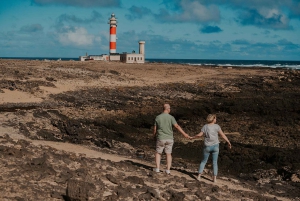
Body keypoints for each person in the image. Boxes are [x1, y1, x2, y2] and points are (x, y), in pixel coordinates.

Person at [191, 114, 231, 182]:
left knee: (203, 161)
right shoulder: (217, 126)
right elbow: (222, 135)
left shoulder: (205, 126)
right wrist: (228, 142)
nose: (216, 119)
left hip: (207, 146)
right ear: (213, 119)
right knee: (215, 162)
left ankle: (199, 176)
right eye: (215, 118)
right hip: (215, 146)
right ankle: (214, 178)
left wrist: (192, 137)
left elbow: (200, 135)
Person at [153, 104, 190, 174]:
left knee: (158, 152)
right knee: (168, 154)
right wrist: (184, 134)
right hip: (169, 138)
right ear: (168, 109)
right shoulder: (171, 117)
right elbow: (177, 126)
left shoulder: (158, 117)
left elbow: (155, 129)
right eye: (170, 108)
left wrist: (154, 136)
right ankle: (167, 170)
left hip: (161, 137)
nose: (170, 109)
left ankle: (157, 168)